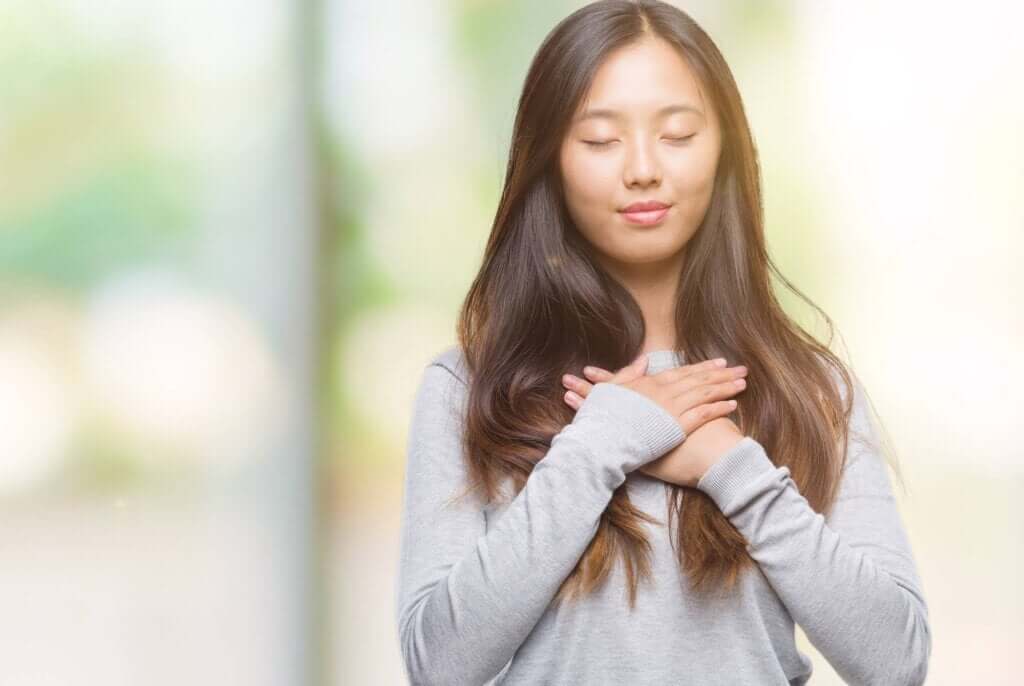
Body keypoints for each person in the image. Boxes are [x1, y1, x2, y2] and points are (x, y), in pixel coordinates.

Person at [394, 1, 931, 684]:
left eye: (677, 134)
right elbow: (439, 666)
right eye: (599, 140)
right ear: (549, 160)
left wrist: (731, 465)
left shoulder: (809, 388)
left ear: (726, 149)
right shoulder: (469, 388)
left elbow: (896, 662)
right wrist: (598, 447)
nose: (643, 169)